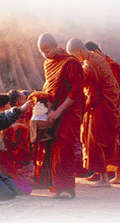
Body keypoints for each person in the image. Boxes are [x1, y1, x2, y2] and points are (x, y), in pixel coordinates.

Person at [30, 33, 84, 199]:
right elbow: (50, 88)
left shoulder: (70, 62)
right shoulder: (48, 63)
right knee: (53, 149)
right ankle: (57, 186)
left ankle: (68, 188)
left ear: (55, 45)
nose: (46, 53)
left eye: (47, 49)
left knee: (64, 148)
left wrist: (59, 111)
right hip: (52, 112)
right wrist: (43, 108)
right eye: (42, 51)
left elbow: (75, 91)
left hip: (69, 112)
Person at [66, 38, 120, 185]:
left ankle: (104, 179)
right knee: (110, 141)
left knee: (94, 142)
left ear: (78, 51)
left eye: (74, 55)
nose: (75, 59)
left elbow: (92, 95)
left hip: (99, 108)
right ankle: (112, 174)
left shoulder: (88, 67)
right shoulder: (98, 58)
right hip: (112, 106)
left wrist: (81, 111)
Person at [0, 93, 34, 194]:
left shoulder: (12, 122)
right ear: (1, 108)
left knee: (28, 187)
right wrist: (17, 127)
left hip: (11, 163)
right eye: (9, 105)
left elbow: (15, 148)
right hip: (0, 165)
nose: (11, 107)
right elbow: (2, 133)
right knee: (25, 189)